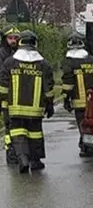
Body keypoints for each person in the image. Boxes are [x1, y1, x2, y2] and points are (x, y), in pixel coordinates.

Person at [0, 30, 55, 173]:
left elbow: (3, 87)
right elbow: (48, 88)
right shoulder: (43, 64)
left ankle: (23, 158)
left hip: (14, 108)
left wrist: (3, 103)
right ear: (35, 43)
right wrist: (49, 104)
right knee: (35, 134)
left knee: (18, 134)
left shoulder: (10, 62)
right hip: (36, 109)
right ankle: (35, 161)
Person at [62, 32, 93, 157]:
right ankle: (91, 145)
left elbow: (68, 84)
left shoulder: (70, 63)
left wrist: (66, 99)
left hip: (79, 102)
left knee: (83, 125)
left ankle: (87, 147)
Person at [0, 27, 21, 164]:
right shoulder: (2, 54)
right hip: (6, 96)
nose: (13, 40)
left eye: (15, 38)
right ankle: (11, 153)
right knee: (9, 125)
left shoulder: (21, 53)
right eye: (10, 38)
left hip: (19, 96)